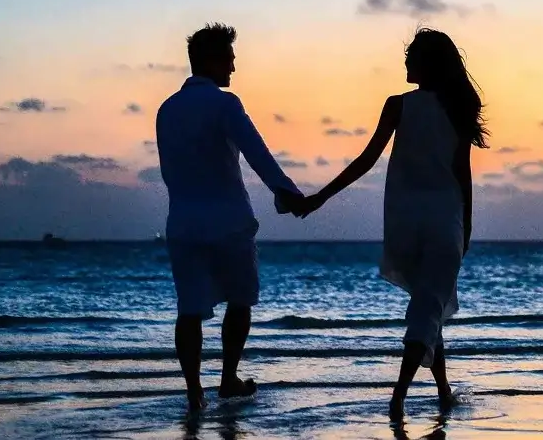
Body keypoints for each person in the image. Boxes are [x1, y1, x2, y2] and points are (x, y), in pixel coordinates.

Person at [300, 28, 487, 420]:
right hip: (444, 222)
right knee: (427, 308)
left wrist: (320, 197)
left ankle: (443, 391)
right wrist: (467, 227)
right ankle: (398, 398)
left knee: (428, 305)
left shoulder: (398, 105)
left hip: (405, 224)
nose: (404, 62)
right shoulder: (457, 107)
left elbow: (366, 160)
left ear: (426, 64)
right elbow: (461, 173)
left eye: (410, 56)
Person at [155, 23, 307, 411]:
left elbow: (169, 169)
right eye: (229, 59)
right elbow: (256, 153)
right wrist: (286, 193)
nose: (233, 69)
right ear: (211, 59)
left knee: (189, 309)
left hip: (183, 223)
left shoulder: (166, 110)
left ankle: (194, 392)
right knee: (240, 301)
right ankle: (227, 379)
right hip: (228, 221)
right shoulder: (226, 104)